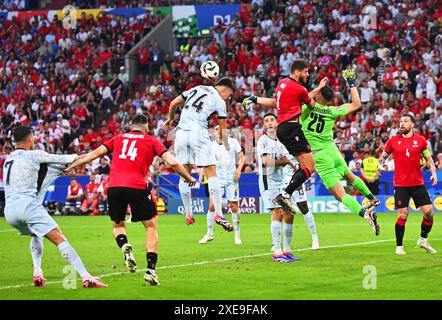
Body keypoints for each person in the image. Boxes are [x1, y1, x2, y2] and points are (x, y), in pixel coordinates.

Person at [65, 114, 196, 285]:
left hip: (114, 187)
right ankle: (150, 271)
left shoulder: (118, 139)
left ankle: (124, 245)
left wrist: (69, 167)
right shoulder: (151, 140)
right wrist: (188, 177)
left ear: (131, 127)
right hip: (137, 186)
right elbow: (172, 162)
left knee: (118, 225)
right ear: (146, 127)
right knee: (151, 226)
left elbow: (93, 154)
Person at [3, 125, 106, 288]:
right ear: (30, 139)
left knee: (35, 234)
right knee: (59, 238)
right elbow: (67, 159)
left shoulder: (8, 159)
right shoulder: (35, 155)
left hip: (9, 211)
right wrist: (78, 157)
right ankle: (86, 277)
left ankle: (37, 272)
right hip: (28, 205)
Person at [242, 59, 328, 215]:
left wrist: (255, 99)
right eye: (306, 72)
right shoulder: (300, 89)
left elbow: (275, 103)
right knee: (310, 167)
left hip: (282, 129)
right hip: (292, 128)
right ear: (297, 72)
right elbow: (311, 105)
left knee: (304, 167)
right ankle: (286, 194)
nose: (307, 75)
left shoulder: (282, 84)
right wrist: (319, 96)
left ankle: (287, 193)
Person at [299, 71, 380, 235]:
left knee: (340, 195)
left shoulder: (305, 109)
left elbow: (305, 97)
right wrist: (351, 83)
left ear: (319, 95)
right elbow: (357, 104)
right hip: (333, 150)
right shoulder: (332, 111)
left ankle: (367, 214)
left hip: (319, 155)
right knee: (350, 176)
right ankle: (372, 198)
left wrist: (317, 87)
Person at [164, 77, 236, 231]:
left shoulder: (196, 88)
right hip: (199, 132)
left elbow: (173, 103)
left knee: (185, 174)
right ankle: (218, 213)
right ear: (224, 88)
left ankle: (189, 215)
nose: (228, 97)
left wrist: (170, 119)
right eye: (229, 94)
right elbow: (223, 126)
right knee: (212, 172)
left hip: (181, 134)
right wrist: (226, 143)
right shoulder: (219, 101)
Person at [379, 113, 438, 255]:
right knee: (403, 214)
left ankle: (423, 240)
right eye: (400, 121)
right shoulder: (392, 141)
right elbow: (382, 157)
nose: (401, 124)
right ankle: (399, 247)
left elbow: (428, 159)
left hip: (417, 183)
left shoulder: (421, 141)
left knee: (429, 213)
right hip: (400, 184)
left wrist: (434, 173)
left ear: (412, 124)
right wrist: (380, 166)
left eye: (405, 121)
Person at [257, 113, 301, 262]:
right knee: (277, 211)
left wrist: (289, 163)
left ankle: (287, 250)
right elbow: (266, 161)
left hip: (281, 181)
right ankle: (277, 251)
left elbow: (285, 158)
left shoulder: (281, 142)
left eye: (272, 120)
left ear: (277, 123)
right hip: (268, 181)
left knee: (289, 212)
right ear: (264, 125)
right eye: (266, 121)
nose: (269, 123)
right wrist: (284, 162)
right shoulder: (263, 140)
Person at [198, 124, 245, 245]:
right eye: (217, 129)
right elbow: (206, 162)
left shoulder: (233, 142)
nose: (219, 131)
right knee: (212, 206)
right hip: (217, 180)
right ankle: (209, 233)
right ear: (214, 132)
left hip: (231, 180)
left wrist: (239, 169)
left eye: (222, 129)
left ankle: (237, 234)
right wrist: (202, 173)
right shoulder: (211, 146)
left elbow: (242, 157)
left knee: (234, 207)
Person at [283, 154, 320, 250]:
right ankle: (283, 244)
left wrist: (300, 180)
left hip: (295, 179)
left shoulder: (293, 143)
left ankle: (315, 238)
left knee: (303, 207)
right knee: (284, 210)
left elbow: (305, 161)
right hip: (281, 180)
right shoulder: (277, 144)